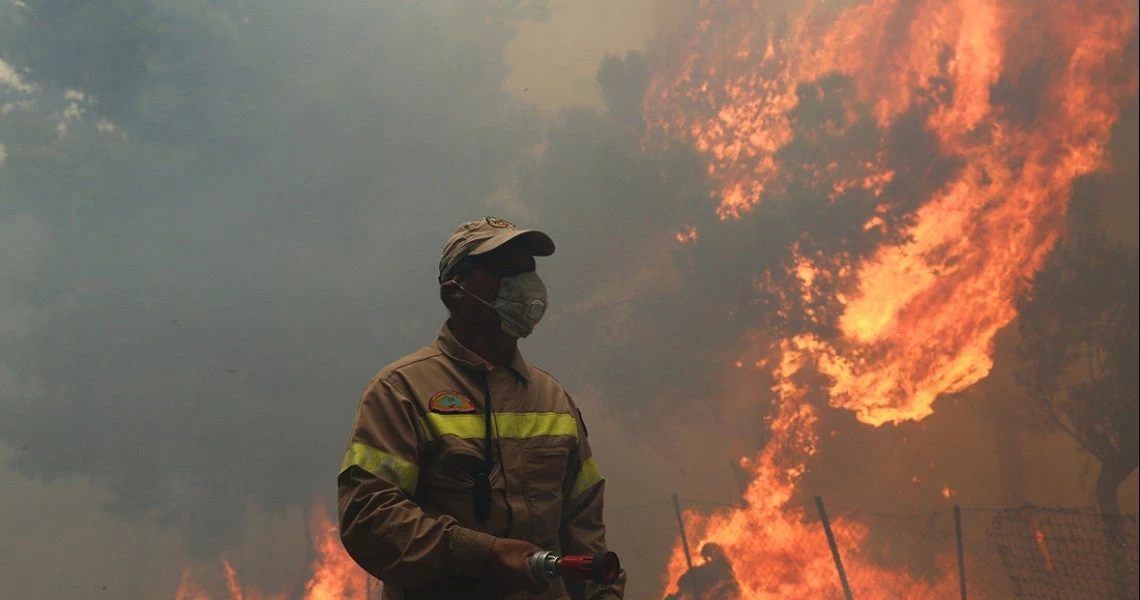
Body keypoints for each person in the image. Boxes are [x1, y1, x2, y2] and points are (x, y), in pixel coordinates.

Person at [338, 217, 626, 600]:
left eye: (529, 270)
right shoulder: (400, 391)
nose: (526, 285)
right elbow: (371, 520)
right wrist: (485, 555)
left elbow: (584, 528)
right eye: (506, 271)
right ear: (455, 290)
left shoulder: (554, 399)